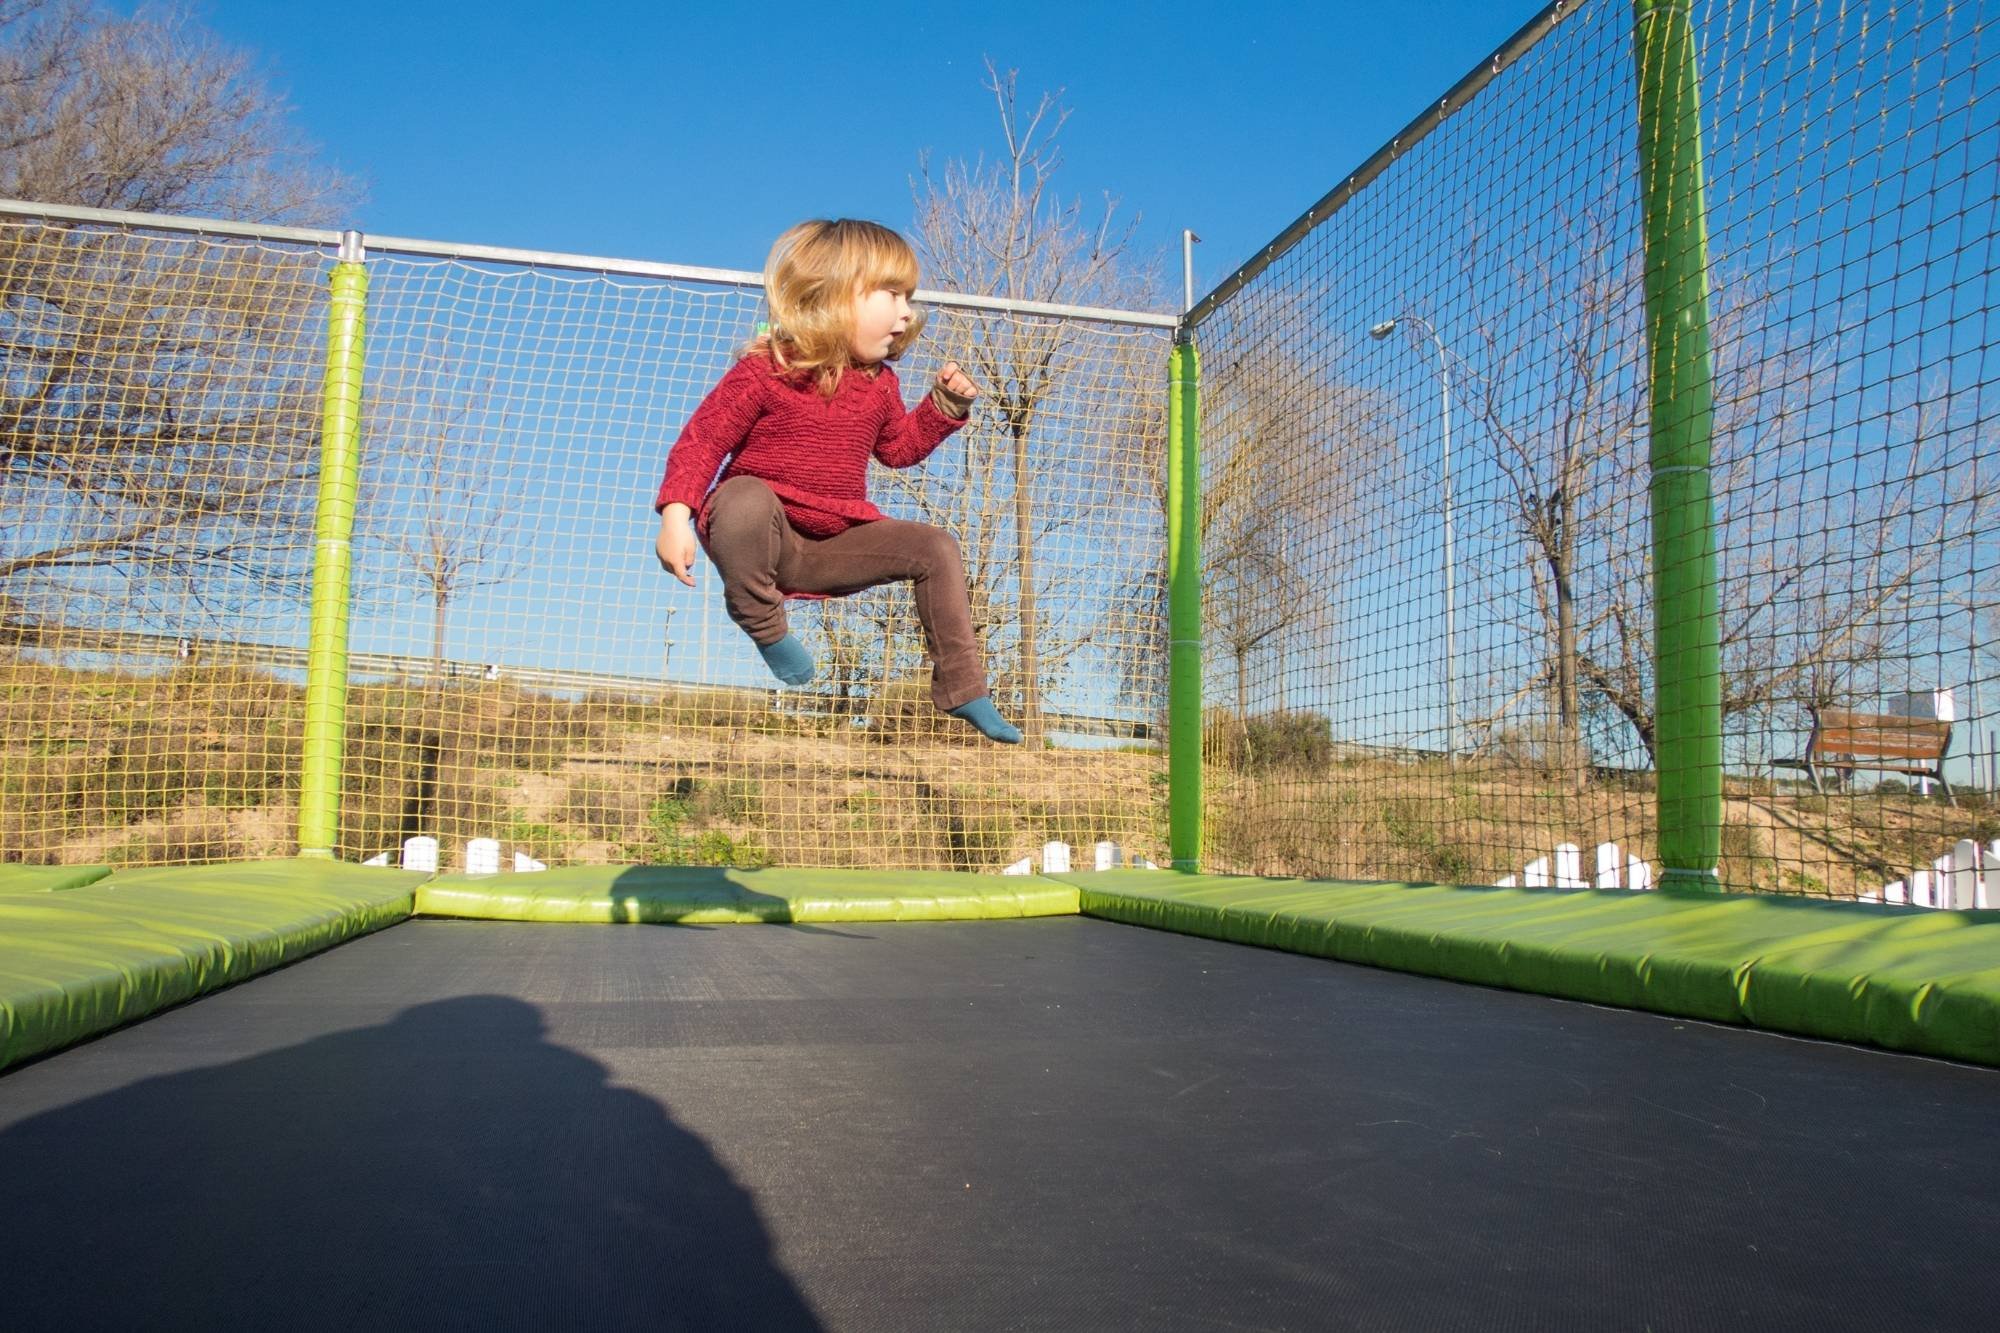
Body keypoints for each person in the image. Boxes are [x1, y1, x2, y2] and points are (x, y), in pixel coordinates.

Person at [652, 218, 1021, 744]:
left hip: (832, 541)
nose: (906, 312)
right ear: (834, 296)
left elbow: (897, 450)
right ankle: (764, 623)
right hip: (760, 535)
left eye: (908, 296)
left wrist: (943, 407)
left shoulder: (879, 385)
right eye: (891, 294)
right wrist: (676, 517)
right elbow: (703, 441)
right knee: (744, 497)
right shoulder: (767, 368)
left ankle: (965, 689)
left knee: (935, 546)